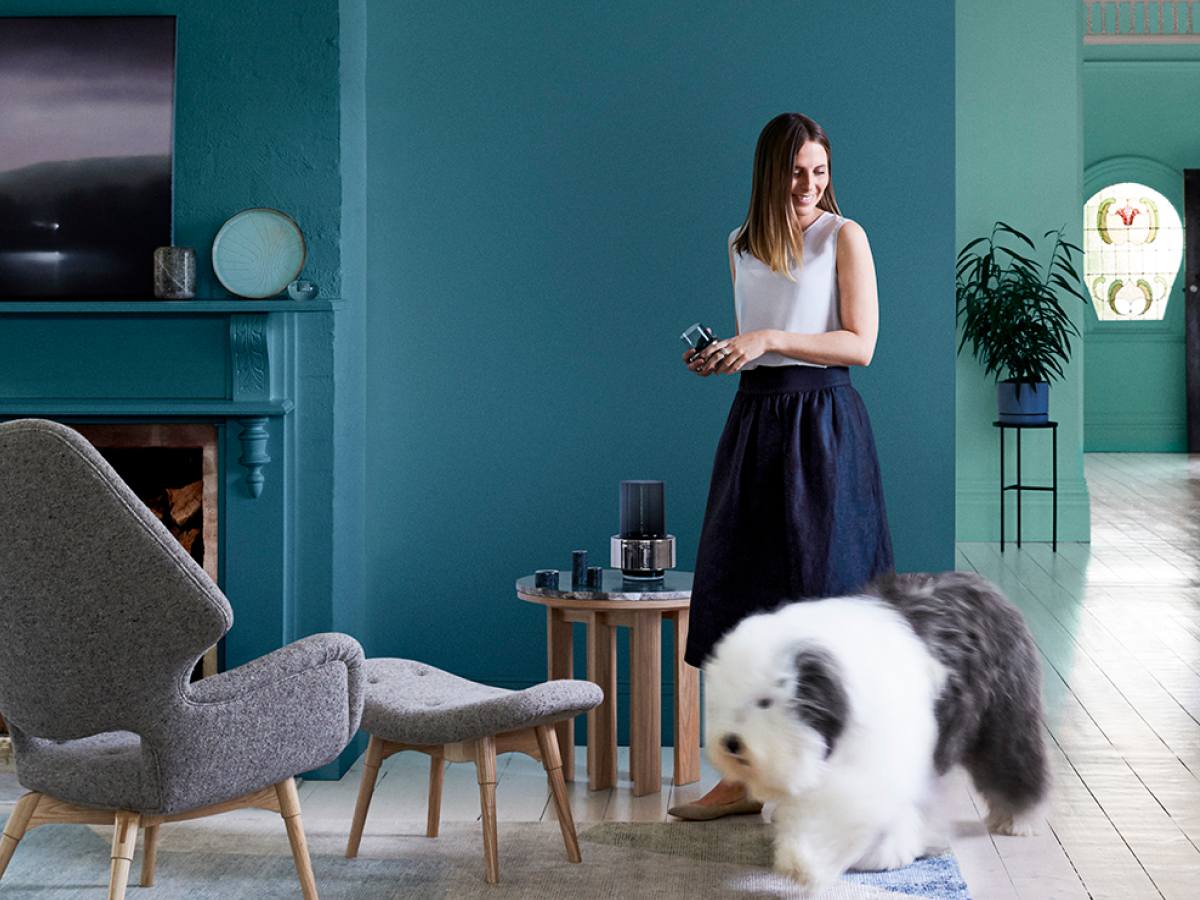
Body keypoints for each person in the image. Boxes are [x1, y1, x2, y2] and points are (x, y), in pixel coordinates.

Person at [668, 113, 894, 821]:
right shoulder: (740, 244)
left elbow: (860, 345)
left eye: (820, 171)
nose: (810, 185)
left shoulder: (842, 236)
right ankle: (742, 780)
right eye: (797, 172)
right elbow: (761, 340)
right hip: (755, 422)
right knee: (741, 598)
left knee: (826, 598)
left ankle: (841, 784)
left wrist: (764, 336)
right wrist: (727, 354)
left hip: (822, 426)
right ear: (770, 173)